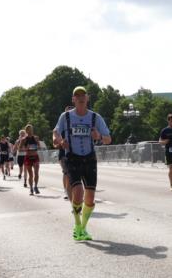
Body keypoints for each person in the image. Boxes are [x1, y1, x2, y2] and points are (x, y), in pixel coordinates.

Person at [53, 86, 111, 241]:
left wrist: (98, 136)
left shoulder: (95, 117)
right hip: (72, 157)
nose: (80, 98)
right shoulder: (65, 117)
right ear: (73, 99)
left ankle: (82, 228)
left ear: (87, 98)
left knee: (90, 198)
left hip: (90, 158)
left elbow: (108, 139)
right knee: (78, 191)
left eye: (82, 95)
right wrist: (60, 141)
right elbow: (55, 134)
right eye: (76, 95)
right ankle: (77, 225)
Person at [18, 125, 42, 195]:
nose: (30, 131)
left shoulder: (36, 138)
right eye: (28, 130)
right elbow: (19, 149)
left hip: (35, 156)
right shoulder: (24, 139)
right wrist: (26, 148)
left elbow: (39, 147)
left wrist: (36, 146)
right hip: (28, 157)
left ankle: (36, 186)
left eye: (31, 129)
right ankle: (31, 188)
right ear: (26, 131)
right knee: (30, 175)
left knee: (36, 173)